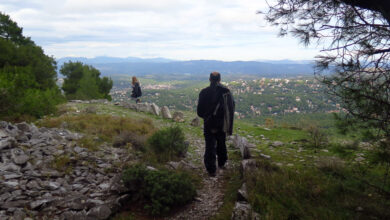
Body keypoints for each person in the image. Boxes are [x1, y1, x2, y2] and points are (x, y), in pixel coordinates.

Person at [197, 72, 235, 177]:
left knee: (210, 145)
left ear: (209, 79)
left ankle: (211, 169)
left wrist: (206, 117)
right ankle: (222, 163)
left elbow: (199, 112)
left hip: (208, 123)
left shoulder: (204, 92)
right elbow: (231, 108)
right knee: (221, 143)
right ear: (220, 79)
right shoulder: (226, 92)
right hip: (222, 123)